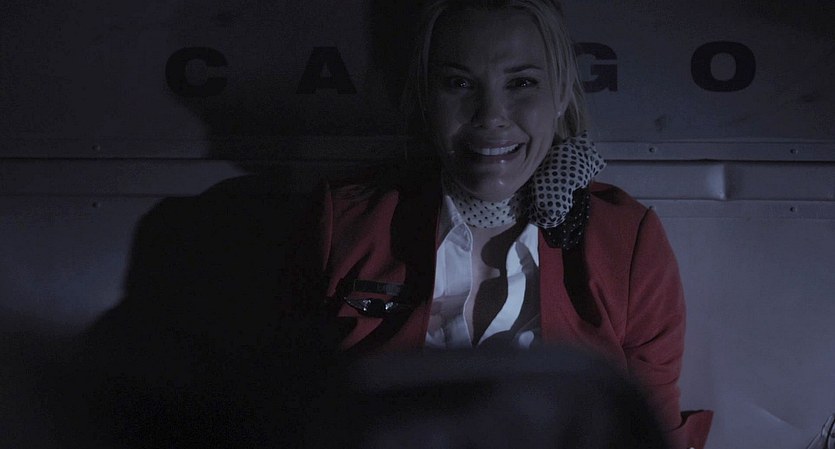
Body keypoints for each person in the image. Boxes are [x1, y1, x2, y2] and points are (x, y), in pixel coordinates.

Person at [292, 1, 713, 448]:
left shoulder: (626, 243)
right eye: (459, 83)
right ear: (425, 96)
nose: (491, 115)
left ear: (562, 93)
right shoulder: (344, 224)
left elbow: (651, 431)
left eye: (521, 83)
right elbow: (288, 413)